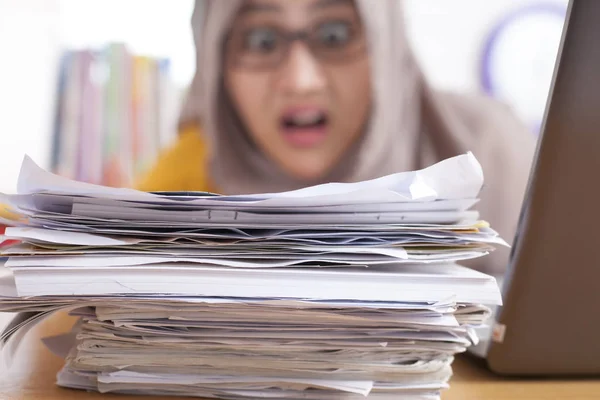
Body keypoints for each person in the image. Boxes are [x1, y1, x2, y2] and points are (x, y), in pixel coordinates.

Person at [135, 0, 536, 274]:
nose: (300, 82)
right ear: (215, 61)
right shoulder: (179, 194)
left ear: (386, 40)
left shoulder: (492, 153)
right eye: (261, 41)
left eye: (334, 35)